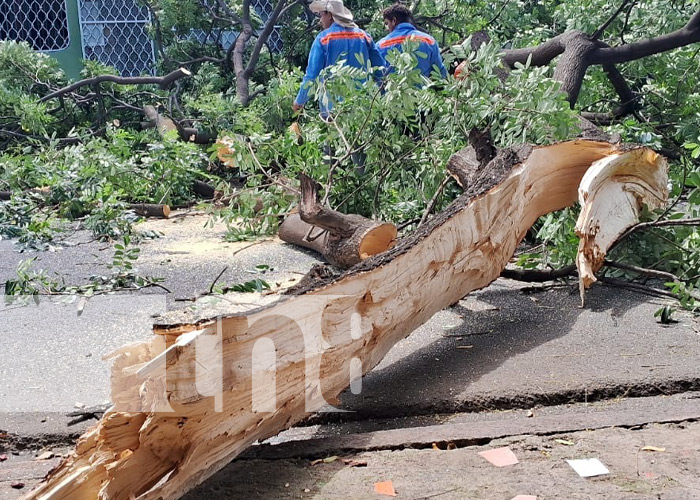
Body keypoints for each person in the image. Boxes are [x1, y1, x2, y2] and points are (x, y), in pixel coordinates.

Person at [293, 0, 385, 115]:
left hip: (333, 109)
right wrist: (383, 97)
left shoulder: (323, 39)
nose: (321, 21)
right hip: (362, 108)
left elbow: (312, 74)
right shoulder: (364, 36)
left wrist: (299, 101)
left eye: (321, 15)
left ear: (330, 15)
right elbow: (380, 70)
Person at [377, 3, 447, 79]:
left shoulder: (380, 45)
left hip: (390, 90)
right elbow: (440, 74)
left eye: (387, 23)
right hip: (423, 90)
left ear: (394, 21)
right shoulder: (429, 41)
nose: (387, 28)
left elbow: (376, 76)